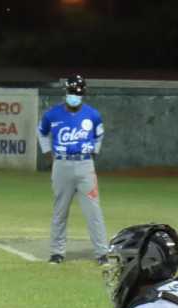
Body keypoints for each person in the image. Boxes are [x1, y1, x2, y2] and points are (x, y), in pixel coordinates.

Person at [37, 75, 108, 265]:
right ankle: (56, 252)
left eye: (78, 93)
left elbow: (99, 136)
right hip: (61, 165)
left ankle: (102, 252)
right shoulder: (52, 115)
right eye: (71, 92)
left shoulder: (93, 115)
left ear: (82, 94)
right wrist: (48, 153)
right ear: (66, 93)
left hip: (85, 165)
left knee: (93, 210)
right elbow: (42, 133)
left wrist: (94, 152)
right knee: (60, 211)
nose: (74, 96)